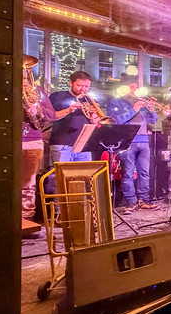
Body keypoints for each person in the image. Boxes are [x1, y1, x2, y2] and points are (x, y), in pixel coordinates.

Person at [108, 82, 159, 213]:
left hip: (144, 141)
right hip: (127, 141)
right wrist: (134, 109)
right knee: (128, 173)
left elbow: (153, 120)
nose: (135, 90)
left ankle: (144, 200)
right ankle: (131, 202)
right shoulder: (115, 103)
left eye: (137, 87)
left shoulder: (141, 103)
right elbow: (116, 121)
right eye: (132, 87)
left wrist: (152, 110)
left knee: (144, 173)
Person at [21, 55, 56, 225]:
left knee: (29, 183)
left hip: (32, 139)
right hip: (8, 138)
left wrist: (38, 109)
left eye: (26, 71)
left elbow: (52, 114)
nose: (24, 74)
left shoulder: (38, 91)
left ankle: (26, 218)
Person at [49, 71, 97, 166]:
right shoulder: (57, 96)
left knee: (83, 177)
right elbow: (50, 116)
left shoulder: (90, 100)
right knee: (62, 176)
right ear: (71, 83)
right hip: (62, 144)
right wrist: (69, 110)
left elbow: (95, 123)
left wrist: (93, 114)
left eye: (86, 86)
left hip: (84, 145)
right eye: (79, 85)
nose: (83, 89)